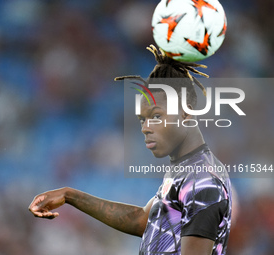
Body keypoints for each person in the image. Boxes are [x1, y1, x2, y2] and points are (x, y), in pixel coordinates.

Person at [29, 45, 232, 255]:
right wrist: (69, 195)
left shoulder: (202, 182)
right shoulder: (186, 168)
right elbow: (143, 219)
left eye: (155, 116)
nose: (145, 128)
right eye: (142, 119)